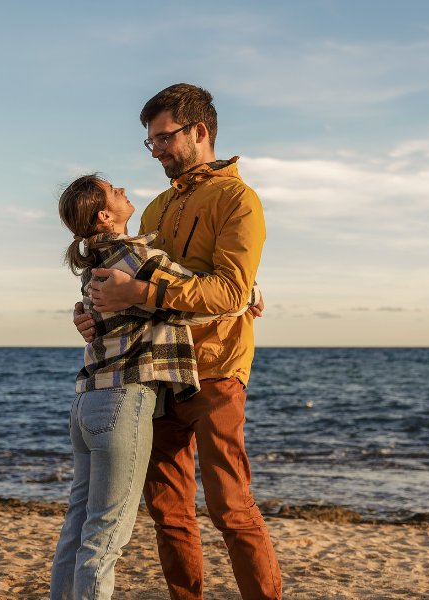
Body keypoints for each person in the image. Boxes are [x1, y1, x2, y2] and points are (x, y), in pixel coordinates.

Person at [73, 84, 281, 600]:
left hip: (215, 370)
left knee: (231, 507)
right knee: (168, 513)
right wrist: (92, 310)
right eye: (151, 142)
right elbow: (131, 278)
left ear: (200, 131)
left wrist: (140, 290)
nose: (158, 150)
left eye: (165, 138)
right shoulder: (155, 209)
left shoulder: (238, 199)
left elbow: (228, 288)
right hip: (155, 375)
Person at [51, 174, 259, 600]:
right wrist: (247, 295)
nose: (124, 190)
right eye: (114, 191)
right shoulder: (135, 255)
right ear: (105, 215)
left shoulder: (95, 261)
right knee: (105, 535)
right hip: (123, 401)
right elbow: (187, 301)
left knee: (77, 528)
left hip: (88, 402)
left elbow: (144, 310)